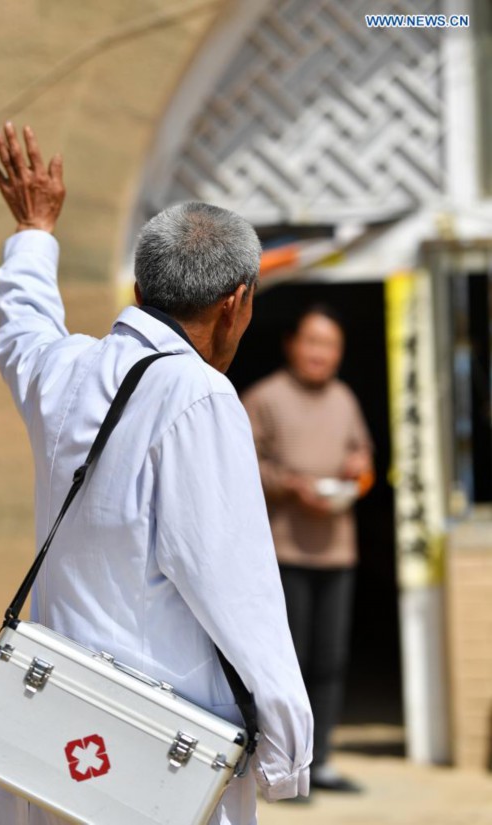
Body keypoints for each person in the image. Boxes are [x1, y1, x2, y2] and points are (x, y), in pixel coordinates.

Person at [0, 123, 313, 825]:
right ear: (236, 303)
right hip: (153, 754)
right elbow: (236, 585)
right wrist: (288, 749)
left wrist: (34, 232)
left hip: (48, 730)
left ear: (139, 288)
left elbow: (19, 321)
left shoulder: (65, 369)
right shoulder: (200, 395)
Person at [242, 304, 374, 794]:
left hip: (337, 548)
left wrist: (359, 469)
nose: (321, 353)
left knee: (330, 658)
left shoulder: (344, 398)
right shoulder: (264, 397)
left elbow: (363, 455)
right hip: (283, 551)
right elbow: (239, 462)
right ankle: (283, 767)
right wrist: (287, 484)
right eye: (313, 342)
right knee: (286, 662)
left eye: (331, 345)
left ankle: (323, 762)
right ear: (292, 344)